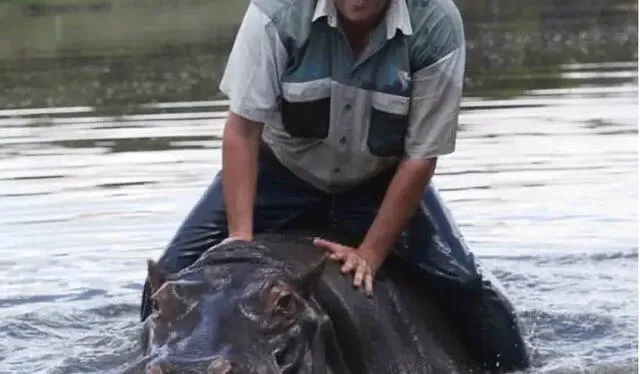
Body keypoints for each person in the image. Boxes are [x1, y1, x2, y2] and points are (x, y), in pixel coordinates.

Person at [139, 0, 530, 371]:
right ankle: (145, 358)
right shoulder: (278, 11)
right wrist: (241, 237)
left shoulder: (436, 22)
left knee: (467, 285)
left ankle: (517, 369)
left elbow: (421, 156)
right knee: (169, 278)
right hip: (279, 176)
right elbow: (242, 130)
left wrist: (370, 254)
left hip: (379, 180)